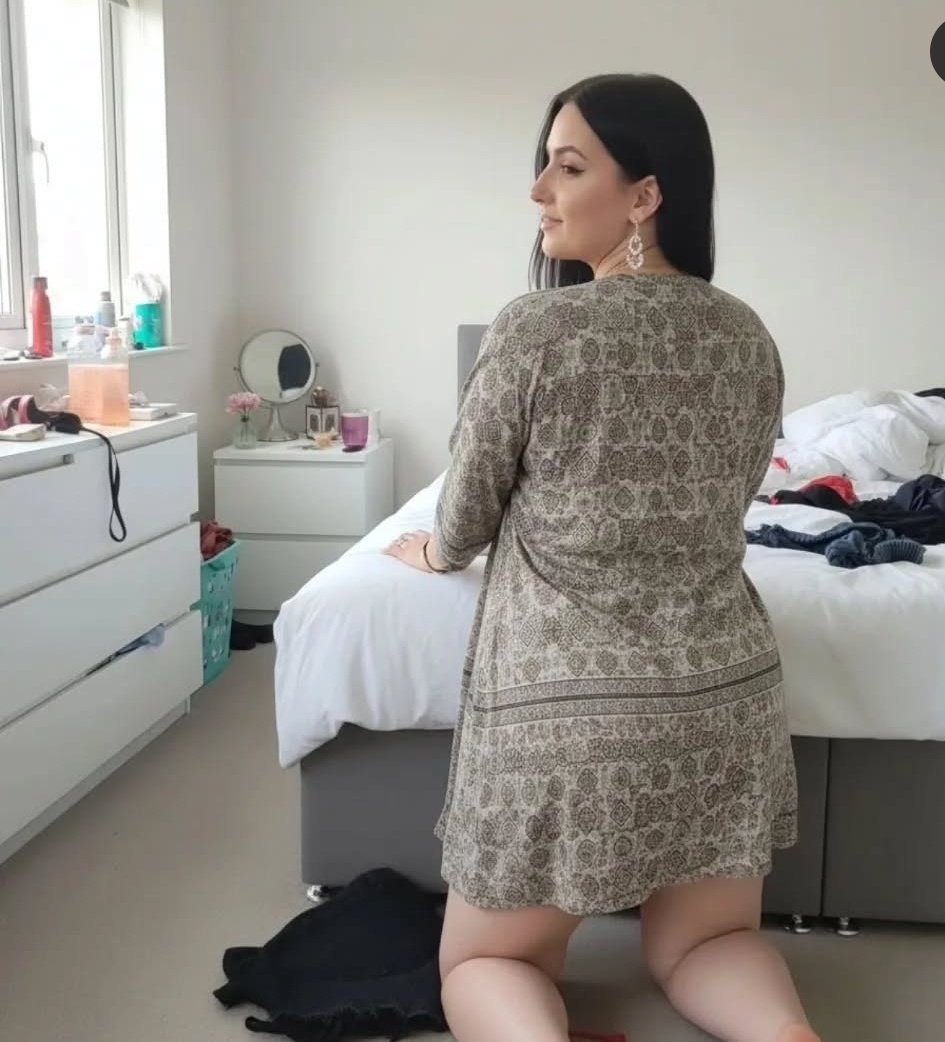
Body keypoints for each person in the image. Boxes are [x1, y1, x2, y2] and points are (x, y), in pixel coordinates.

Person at [385, 73, 818, 1042]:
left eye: (568, 167)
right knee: (707, 945)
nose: (539, 189)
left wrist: (434, 552)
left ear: (645, 194)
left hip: (567, 717)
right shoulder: (745, 332)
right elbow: (735, 492)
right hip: (723, 698)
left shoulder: (538, 327)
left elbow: (467, 512)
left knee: (488, 962)